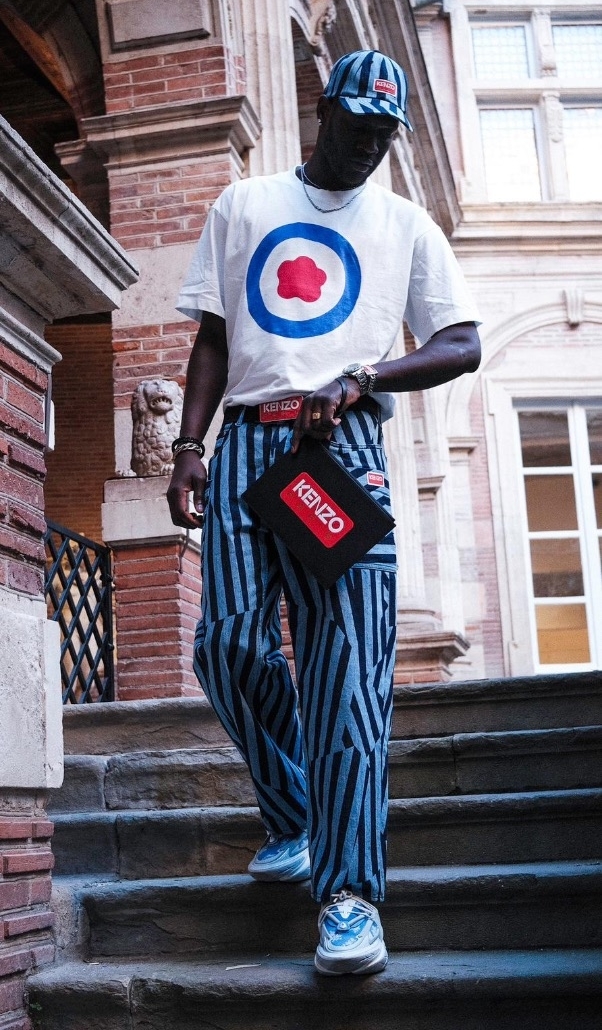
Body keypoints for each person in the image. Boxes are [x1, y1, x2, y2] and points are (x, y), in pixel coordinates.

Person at [167, 49, 481, 976]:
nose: (371, 144)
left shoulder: (406, 225)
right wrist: (187, 448)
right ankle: (298, 812)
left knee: (345, 679)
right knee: (226, 646)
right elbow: (213, 338)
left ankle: (349, 899)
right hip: (244, 448)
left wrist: (365, 378)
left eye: (387, 132)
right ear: (323, 110)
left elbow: (462, 342)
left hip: (339, 457)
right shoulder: (244, 206)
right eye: (359, 125)